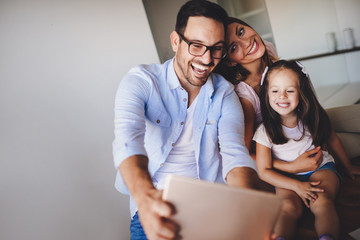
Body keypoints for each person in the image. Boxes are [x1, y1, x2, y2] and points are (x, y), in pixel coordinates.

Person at [112, 1, 257, 239]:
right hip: (155, 201)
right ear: (176, 41)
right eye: (197, 46)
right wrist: (146, 198)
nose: (207, 59)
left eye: (217, 48)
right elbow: (128, 141)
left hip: (212, 201)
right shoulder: (141, 81)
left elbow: (235, 153)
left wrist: (248, 209)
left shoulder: (225, 92)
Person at [253, 60, 360, 240]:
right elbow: (264, 171)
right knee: (288, 207)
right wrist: (296, 185)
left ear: (301, 92)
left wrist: (347, 165)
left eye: (290, 90)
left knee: (322, 202)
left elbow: (332, 138)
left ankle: (327, 237)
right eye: (275, 90)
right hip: (287, 179)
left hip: (320, 168)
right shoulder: (264, 131)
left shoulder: (312, 116)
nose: (282, 96)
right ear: (266, 94)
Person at [215, 16, 325, 178]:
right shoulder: (246, 97)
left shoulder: (267, 50)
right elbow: (243, 153)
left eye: (241, 31)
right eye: (233, 48)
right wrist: (291, 166)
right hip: (283, 153)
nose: (247, 42)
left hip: (302, 132)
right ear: (230, 62)